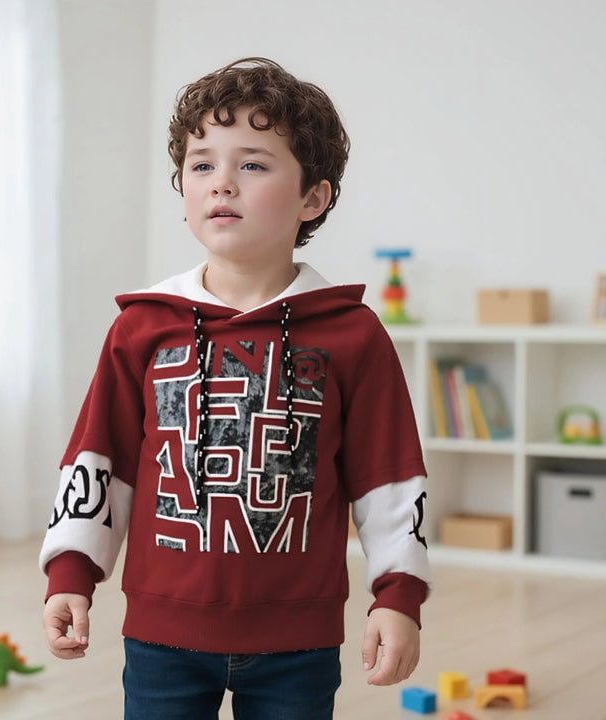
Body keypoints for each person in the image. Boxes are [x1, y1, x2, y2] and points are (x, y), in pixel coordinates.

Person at [40, 57, 431, 720]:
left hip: (297, 641)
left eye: (252, 164)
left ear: (313, 198)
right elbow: (100, 459)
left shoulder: (353, 334)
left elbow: (388, 478)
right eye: (201, 165)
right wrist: (71, 573)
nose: (221, 181)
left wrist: (398, 597)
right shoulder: (142, 327)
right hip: (162, 636)